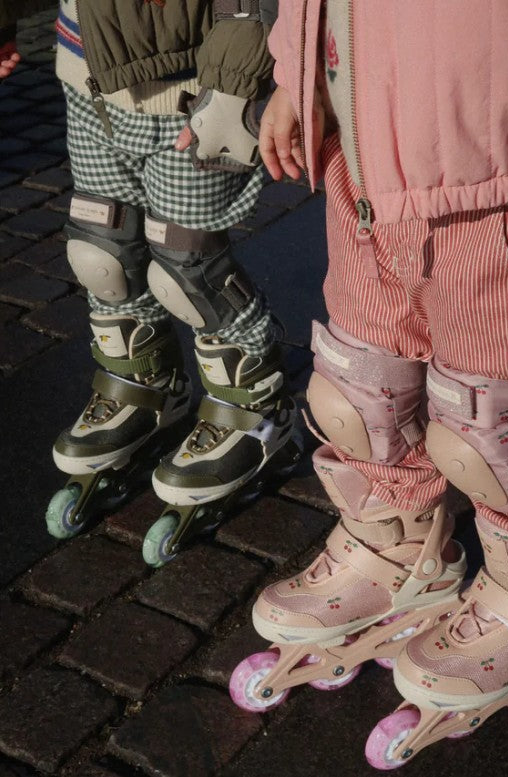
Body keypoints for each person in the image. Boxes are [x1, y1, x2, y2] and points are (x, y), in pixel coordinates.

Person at [233, 0, 508, 763]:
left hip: (494, 145)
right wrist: (297, 72)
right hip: (362, 126)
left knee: (484, 423)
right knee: (358, 389)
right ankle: (395, 539)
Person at [18, 0, 299, 550]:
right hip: (87, 70)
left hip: (199, 82)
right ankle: (144, 382)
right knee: (102, 249)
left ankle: (257, 405)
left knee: (187, 265)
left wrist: (237, 80)